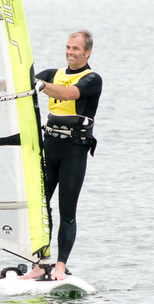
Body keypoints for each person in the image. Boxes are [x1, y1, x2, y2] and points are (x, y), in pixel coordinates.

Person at [22, 30, 102, 281]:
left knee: (66, 210)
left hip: (74, 151)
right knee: (38, 206)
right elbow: (21, 82)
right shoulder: (52, 74)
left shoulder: (92, 79)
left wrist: (42, 86)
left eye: (76, 49)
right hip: (49, 147)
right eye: (68, 47)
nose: (70, 52)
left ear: (87, 52)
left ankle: (59, 266)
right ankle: (39, 263)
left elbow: (68, 94)